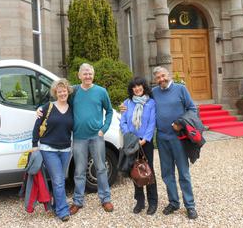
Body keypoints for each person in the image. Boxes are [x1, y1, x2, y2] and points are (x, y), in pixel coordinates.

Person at [151, 66, 199, 220]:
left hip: (178, 138)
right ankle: (173, 202)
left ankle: (190, 205)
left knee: (183, 172)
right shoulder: (154, 92)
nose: (161, 79)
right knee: (166, 173)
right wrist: (126, 107)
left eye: (163, 76)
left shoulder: (181, 89)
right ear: (155, 79)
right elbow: (142, 104)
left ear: (169, 75)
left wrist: (180, 122)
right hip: (162, 138)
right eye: (158, 77)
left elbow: (192, 109)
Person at [69, 63, 114, 215]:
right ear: (79, 75)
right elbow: (60, 101)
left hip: (96, 136)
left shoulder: (101, 91)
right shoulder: (73, 91)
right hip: (79, 137)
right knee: (79, 170)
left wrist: (104, 128)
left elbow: (109, 111)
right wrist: (41, 109)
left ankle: (105, 199)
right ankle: (77, 201)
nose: (88, 76)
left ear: (93, 75)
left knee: (101, 168)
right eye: (85, 73)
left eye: (90, 73)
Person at [32, 79, 73, 222]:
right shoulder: (48, 106)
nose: (62, 93)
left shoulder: (72, 107)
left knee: (60, 179)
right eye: (59, 91)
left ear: (68, 91)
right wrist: (34, 144)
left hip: (66, 149)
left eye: (64, 90)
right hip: (48, 149)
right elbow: (37, 125)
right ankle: (63, 211)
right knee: (58, 180)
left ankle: (56, 206)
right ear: (55, 93)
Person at [120, 77, 158, 215]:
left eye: (139, 86)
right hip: (132, 142)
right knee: (135, 171)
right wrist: (130, 137)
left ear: (144, 87)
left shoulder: (151, 103)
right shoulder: (127, 103)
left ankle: (153, 202)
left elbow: (152, 123)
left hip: (145, 143)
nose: (137, 89)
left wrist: (145, 139)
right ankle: (140, 202)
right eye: (134, 87)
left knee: (148, 170)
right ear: (132, 89)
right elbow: (123, 122)